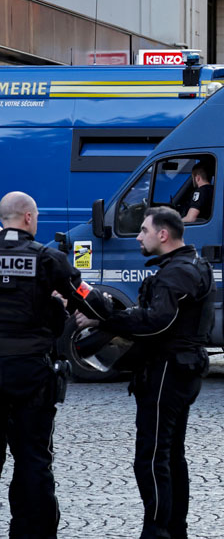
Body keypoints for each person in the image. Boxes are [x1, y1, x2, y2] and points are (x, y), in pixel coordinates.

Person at [75, 206, 215, 539]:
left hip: (167, 370)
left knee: (152, 458)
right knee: (171, 455)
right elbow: (159, 314)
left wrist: (105, 319)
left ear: (163, 235)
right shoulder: (192, 265)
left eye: (143, 230)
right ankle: (173, 529)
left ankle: (156, 531)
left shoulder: (173, 274)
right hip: (184, 369)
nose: (138, 236)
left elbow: (156, 322)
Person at [0, 191, 103, 538]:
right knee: (33, 461)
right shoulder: (47, 258)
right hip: (32, 374)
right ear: (29, 218)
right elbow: (90, 299)